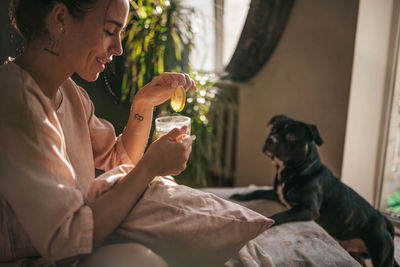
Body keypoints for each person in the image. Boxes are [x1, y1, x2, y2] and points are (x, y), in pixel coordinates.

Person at [0, 0, 196, 266]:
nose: (118, 48)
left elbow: (119, 158)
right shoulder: (16, 104)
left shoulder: (70, 94)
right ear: (60, 19)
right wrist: (151, 167)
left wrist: (144, 103)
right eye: (109, 31)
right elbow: (67, 240)